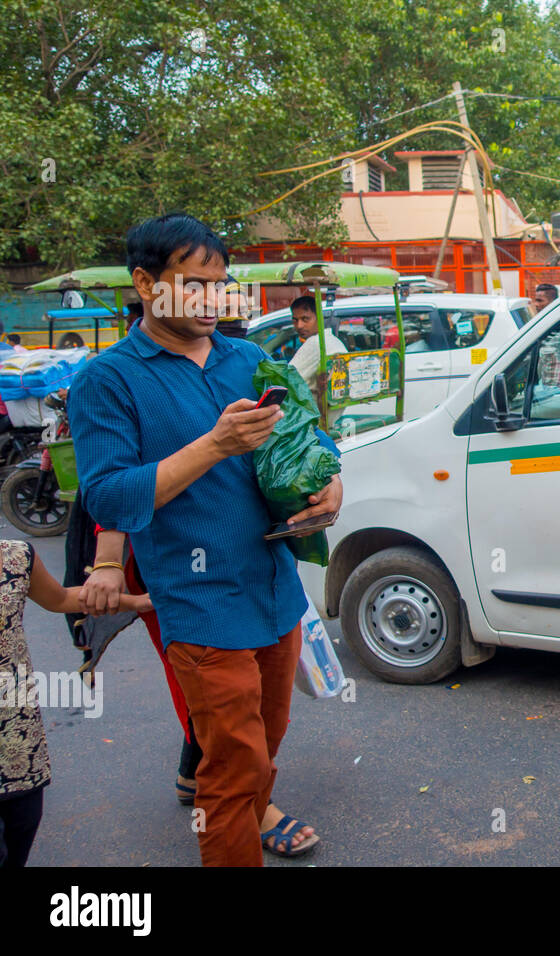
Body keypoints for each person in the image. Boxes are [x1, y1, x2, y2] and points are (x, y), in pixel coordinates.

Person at [68, 213, 342, 866]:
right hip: (196, 603)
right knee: (231, 772)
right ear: (145, 283)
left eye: (219, 284)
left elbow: (305, 435)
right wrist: (214, 445)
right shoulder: (107, 381)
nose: (212, 300)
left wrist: (330, 481)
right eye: (193, 284)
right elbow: (108, 495)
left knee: (263, 751)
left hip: (275, 593)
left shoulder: (247, 359)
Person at [0, 539, 151, 867]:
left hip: (17, 738)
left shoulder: (15, 556)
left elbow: (60, 598)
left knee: (22, 826)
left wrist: (139, 602)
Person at [289, 294, 347, 401]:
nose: (299, 325)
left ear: (319, 317)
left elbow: (287, 379)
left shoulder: (316, 343)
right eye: (295, 320)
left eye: (305, 319)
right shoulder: (332, 340)